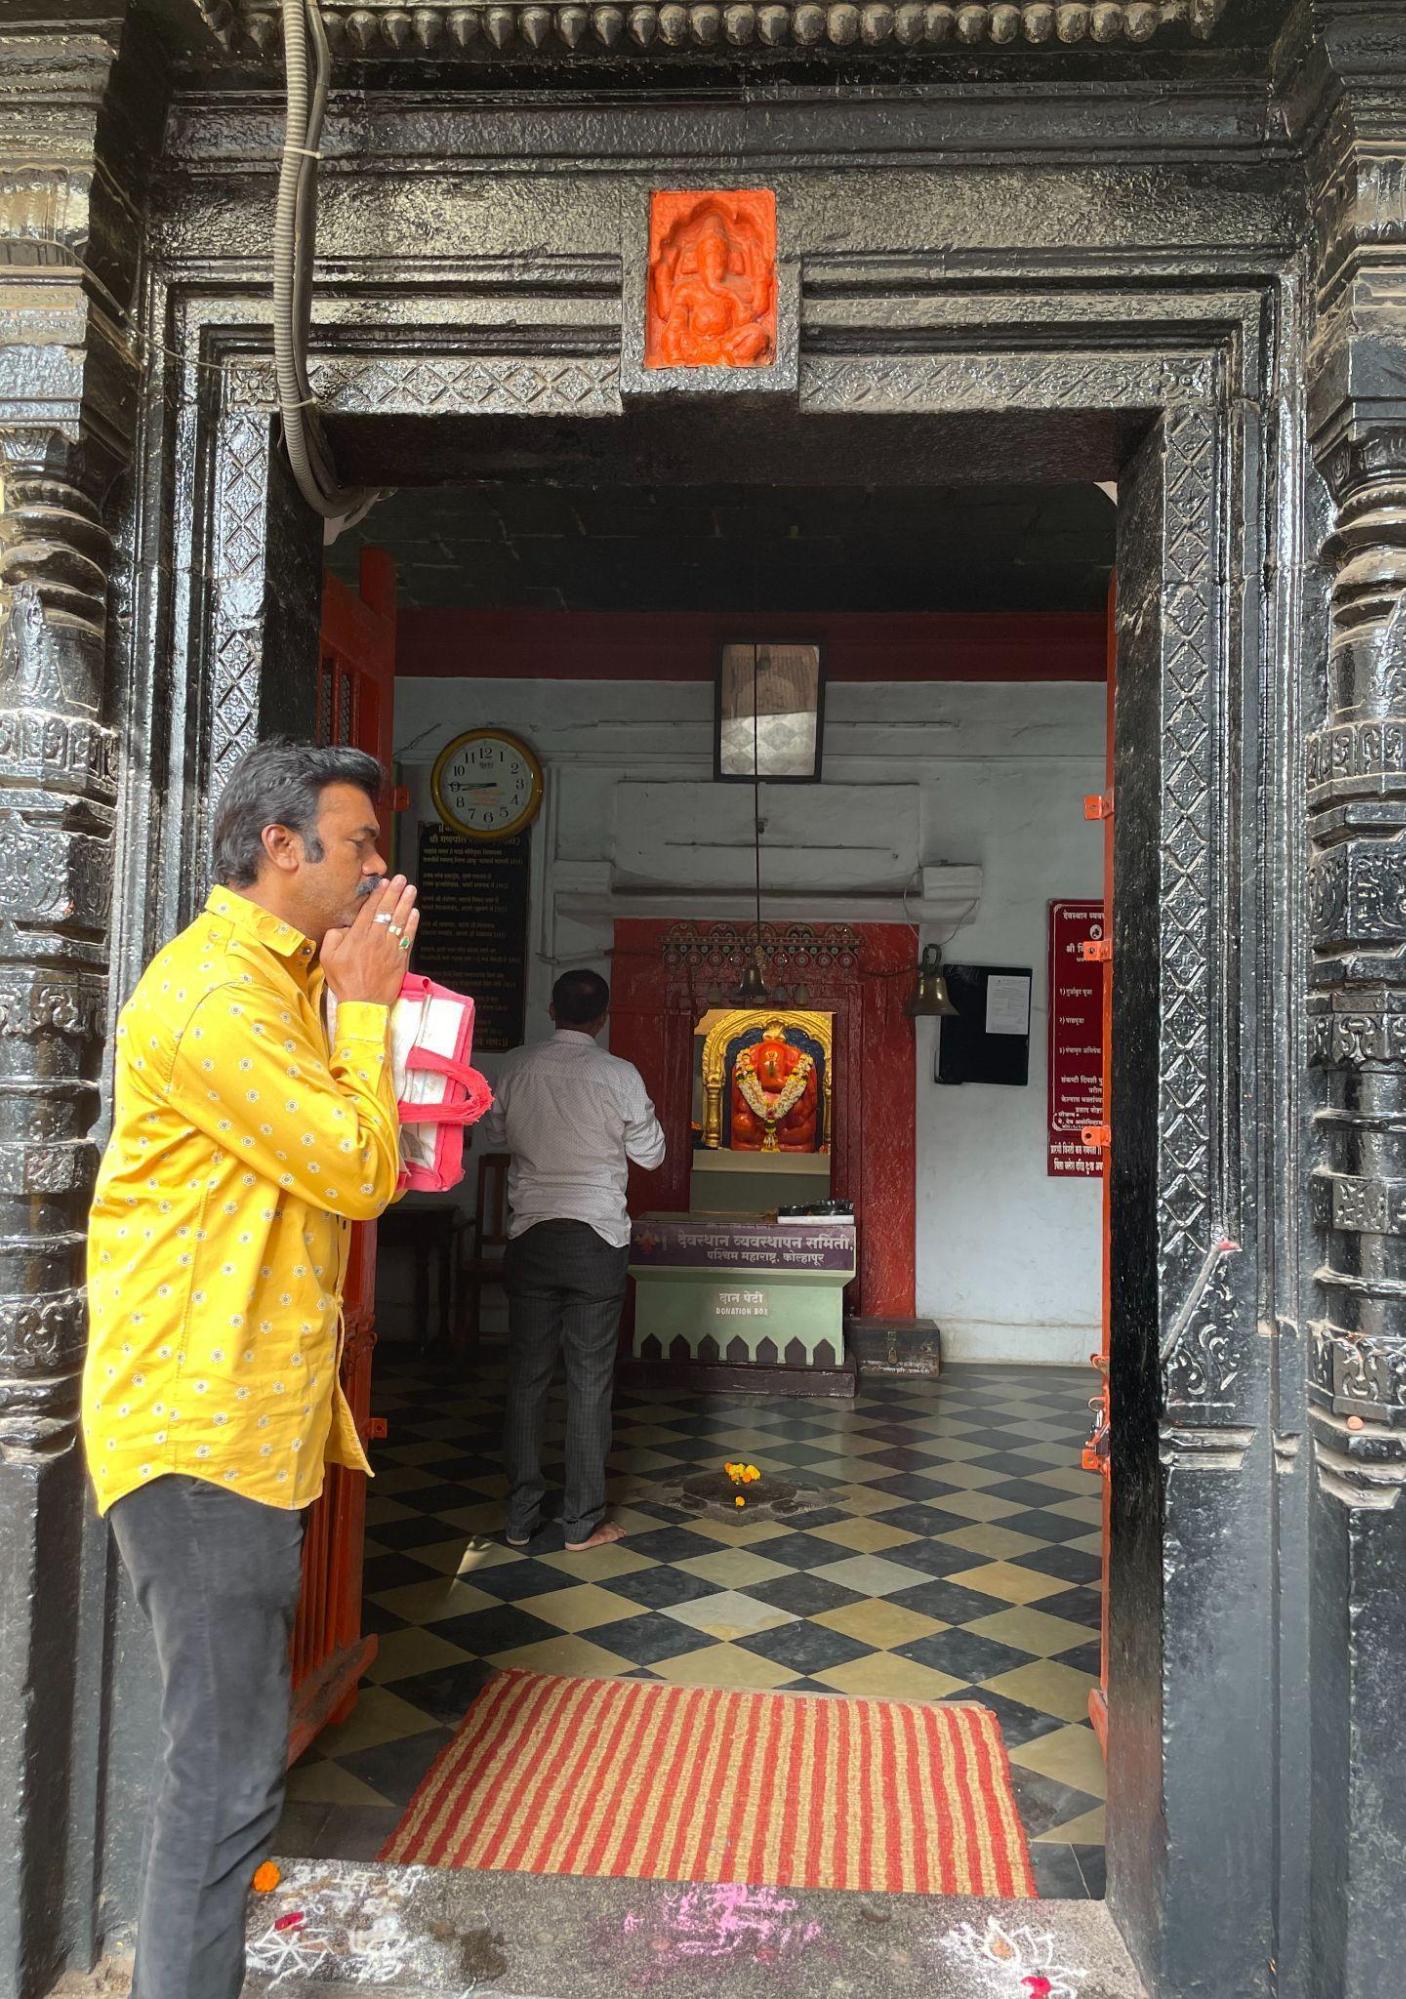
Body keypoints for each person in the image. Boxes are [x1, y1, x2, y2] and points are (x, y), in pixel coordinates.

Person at [82, 740, 418, 1999]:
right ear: (282, 846)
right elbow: (358, 1166)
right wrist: (369, 1008)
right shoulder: (218, 994)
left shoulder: (281, 987)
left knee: (224, 1776)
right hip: (199, 1435)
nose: (377, 868)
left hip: (239, 1432)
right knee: (222, 1786)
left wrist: (347, 1003)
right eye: (359, 842)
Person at [483, 969, 665, 1552]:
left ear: (551, 1009)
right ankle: (582, 1523)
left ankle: (519, 1519)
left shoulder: (516, 1066)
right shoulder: (618, 1075)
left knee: (527, 1379)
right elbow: (652, 1155)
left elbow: (494, 1132)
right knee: (590, 1383)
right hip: (596, 1240)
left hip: (532, 1235)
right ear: (602, 1017)